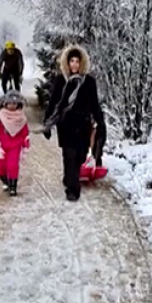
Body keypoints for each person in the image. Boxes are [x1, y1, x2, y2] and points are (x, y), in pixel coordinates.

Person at [42, 45, 105, 201]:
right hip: (66, 124)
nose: (75, 65)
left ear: (82, 63)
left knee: (80, 156)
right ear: (67, 63)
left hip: (83, 124)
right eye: (72, 61)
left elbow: (94, 104)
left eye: (77, 61)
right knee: (69, 154)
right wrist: (47, 123)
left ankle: (69, 176)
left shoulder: (89, 82)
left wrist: (100, 122)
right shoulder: (60, 80)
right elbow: (53, 102)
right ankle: (72, 188)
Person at [0, 90, 30, 197]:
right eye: (10, 103)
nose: (12, 106)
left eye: (14, 103)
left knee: (12, 165)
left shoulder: (21, 118)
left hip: (15, 145)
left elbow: (25, 132)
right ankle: (5, 181)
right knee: (0, 165)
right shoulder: (0, 117)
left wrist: (26, 144)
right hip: (2, 145)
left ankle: (13, 186)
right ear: (5, 103)